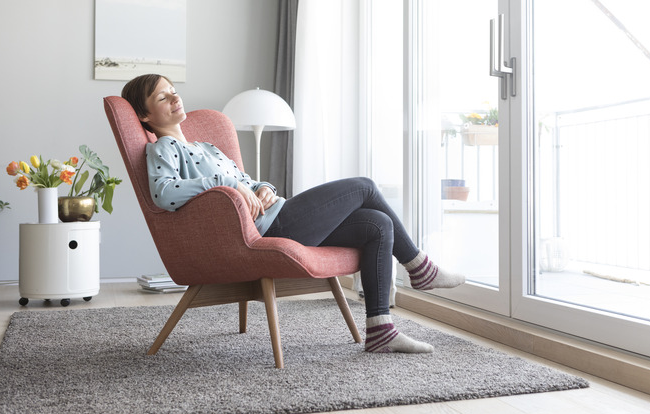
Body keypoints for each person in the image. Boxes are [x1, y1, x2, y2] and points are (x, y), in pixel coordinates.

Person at [121, 74, 465, 354]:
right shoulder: (163, 148)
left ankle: (380, 330)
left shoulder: (206, 147)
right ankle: (420, 267)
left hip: (277, 212)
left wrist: (262, 187)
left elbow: (247, 180)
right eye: (162, 97)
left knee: (378, 224)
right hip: (269, 229)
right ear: (145, 116)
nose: (174, 98)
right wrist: (226, 186)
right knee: (363, 186)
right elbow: (163, 193)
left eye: (174, 91)